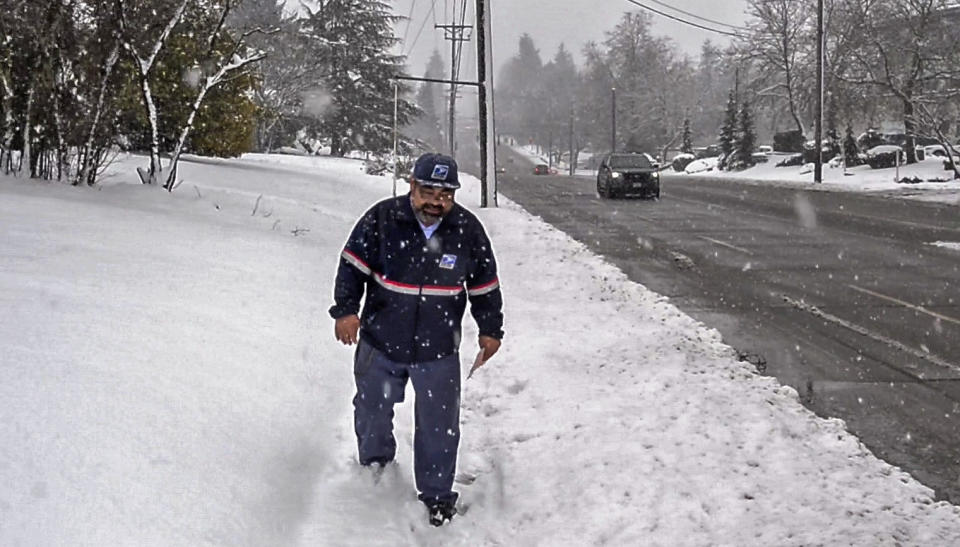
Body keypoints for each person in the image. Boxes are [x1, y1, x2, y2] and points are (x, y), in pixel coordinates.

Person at [329, 152, 504, 527]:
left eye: (446, 194)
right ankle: (375, 469)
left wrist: (491, 330)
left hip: (437, 348)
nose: (436, 201)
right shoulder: (382, 218)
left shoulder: (467, 230)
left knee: (439, 427)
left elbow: (485, 286)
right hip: (380, 341)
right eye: (428, 190)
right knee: (372, 410)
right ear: (412, 186)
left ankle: (437, 496)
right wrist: (345, 311)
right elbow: (352, 267)